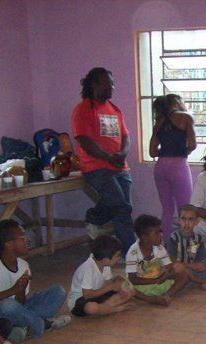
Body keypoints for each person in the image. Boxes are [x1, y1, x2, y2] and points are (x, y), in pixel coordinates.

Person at [71, 67, 135, 250]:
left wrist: (122, 154)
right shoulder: (83, 109)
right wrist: (108, 157)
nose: (111, 87)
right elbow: (84, 140)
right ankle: (93, 218)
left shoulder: (115, 109)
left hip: (120, 167)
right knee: (116, 202)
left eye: (112, 83)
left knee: (124, 210)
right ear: (94, 84)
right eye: (107, 83)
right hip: (97, 167)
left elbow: (126, 137)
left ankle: (130, 254)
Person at [0, 219, 71, 339]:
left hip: (17, 310)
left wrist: (21, 290)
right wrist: (12, 290)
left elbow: (20, 303)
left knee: (58, 291)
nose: (28, 240)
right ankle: (44, 324)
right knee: (7, 305)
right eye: (22, 237)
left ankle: (22, 326)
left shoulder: (23, 265)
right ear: (8, 244)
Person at [149, 94, 197, 240]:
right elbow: (193, 144)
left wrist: (165, 152)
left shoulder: (159, 122)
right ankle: (186, 244)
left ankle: (165, 244)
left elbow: (152, 152)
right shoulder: (186, 118)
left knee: (167, 209)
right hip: (179, 166)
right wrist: (183, 151)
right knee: (185, 208)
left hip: (161, 166)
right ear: (176, 102)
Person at [126, 214, 189, 306]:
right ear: (145, 238)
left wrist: (167, 275)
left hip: (160, 282)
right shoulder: (133, 252)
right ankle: (150, 299)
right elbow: (133, 279)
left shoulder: (159, 248)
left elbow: (170, 268)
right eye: (157, 233)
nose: (161, 236)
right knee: (127, 287)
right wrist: (155, 280)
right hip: (142, 286)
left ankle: (165, 296)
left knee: (184, 274)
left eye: (160, 232)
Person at [68, 235, 136, 318]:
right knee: (92, 308)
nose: (119, 258)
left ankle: (103, 309)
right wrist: (110, 287)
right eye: (117, 256)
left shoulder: (105, 266)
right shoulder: (88, 268)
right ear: (106, 258)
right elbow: (87, 295)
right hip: (80, 301)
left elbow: (107, 283)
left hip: (97, 295)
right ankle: (116, 309)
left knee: (130, 291)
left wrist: (119, 289)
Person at [166, 204, 206, 292]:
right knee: (179, 268)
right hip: (183, 271)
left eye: (191, 219)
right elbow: (172, 262)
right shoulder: (174, 237)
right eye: (183, 219)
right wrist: (192, 266)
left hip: (195, 271)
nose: (186, 223)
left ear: (197, 221)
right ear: (179, 220)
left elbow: (199, 260)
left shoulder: (197, 238)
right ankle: (203, 283)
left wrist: (200, 265)